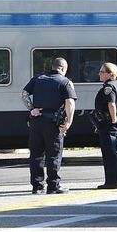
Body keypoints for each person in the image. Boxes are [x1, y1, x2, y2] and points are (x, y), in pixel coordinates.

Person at [22, 57, 77, 194]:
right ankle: (53, 186)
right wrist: (69, 122)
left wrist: (32, 109)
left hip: (36, 121)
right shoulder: (65, 82)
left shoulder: (37, 79)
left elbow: (24, 94)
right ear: (63, 68)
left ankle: (37, 186)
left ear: (53, 67)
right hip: (53, 122)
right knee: (54, 154)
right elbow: (70, 103)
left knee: (36, 154)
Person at [94, 62, 117, 189]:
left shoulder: (109, 87)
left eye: (102, 72)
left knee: (110, 154)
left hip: (109, 124)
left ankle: (112, 181)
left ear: (110, 74)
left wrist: (114, 118)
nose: (99, 74)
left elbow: (111, 104)